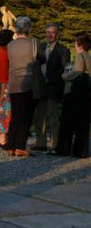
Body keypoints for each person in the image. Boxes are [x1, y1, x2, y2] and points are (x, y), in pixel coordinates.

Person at [33, 23, 70, 154]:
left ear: (57, 34)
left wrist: (50, 78)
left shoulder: (63, 50)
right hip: (40, 87)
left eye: (52, 32)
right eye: (47, 32)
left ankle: (54, 145)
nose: (49, 35)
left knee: (53, 118)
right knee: (40, 117)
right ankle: (40, 143)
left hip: (54, 87)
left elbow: (63, 70)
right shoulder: (40, 47)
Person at [5, 17, 40, 158]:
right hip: (28, 82)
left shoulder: (10, 45)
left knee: (15, 116)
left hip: (13, 83)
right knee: (25, 116)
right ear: (28, 28)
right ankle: (20, 145)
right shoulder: (33, 44)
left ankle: (10, 145)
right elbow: (39, 59)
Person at [56, 34, 90, 158]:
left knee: (67, 121)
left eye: (76, 43)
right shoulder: (88, 56)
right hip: (86, 92)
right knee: (82, 122)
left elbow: (78, 71)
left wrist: (65, 77)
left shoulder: (80, 56)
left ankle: (64, 149)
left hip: (76, 91)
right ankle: (81, 150)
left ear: (79, 45)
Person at [0, 29, 14, 149]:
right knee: (6, 113)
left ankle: (3, 139)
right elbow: (4, 73)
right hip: (7, 84)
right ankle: (2, 139)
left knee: (5, 113)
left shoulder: (0, 51)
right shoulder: (4, 53)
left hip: (5, 83)